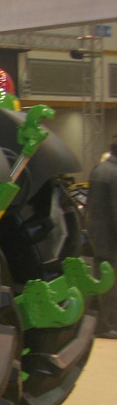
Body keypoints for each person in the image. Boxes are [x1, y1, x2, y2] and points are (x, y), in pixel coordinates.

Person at [87, 136, 117, 339]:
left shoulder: (100, 170)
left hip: (98, 235)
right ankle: (108, 325)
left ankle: (101, 323)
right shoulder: (114, 173)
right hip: (111, 237)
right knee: (111, 284)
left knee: (102, 280)